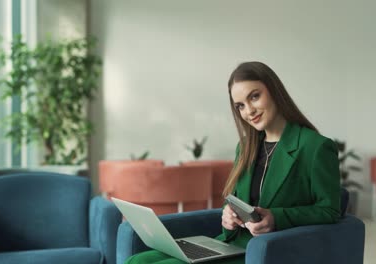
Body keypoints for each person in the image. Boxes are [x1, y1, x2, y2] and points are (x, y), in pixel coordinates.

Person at [125, 61, 340, 264]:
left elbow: (330, 210)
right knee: (138, 260)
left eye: (254, 97)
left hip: (266, 253)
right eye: (240, 106)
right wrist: (228, 216)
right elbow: (237, 201)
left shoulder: (315, 146)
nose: (249, 111)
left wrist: (276, 217)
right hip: (230, 244)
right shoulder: (246, 147)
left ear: (274, 91)